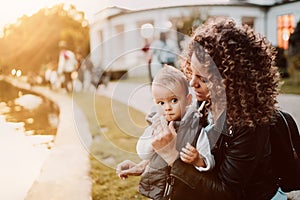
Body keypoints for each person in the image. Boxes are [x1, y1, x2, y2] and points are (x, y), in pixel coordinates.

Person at [117, 17, 286, 200]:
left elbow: (226, 194)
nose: (191, 83)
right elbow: (186, 146)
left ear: (231, 81)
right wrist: (145, 165)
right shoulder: (204, 103)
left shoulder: (250, 126)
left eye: (203, 79)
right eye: (192, 72)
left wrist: (172, 156)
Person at [135, 65, 214, 199]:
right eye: (161, 103)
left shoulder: (195, 129)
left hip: (183, 191)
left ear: (188, 100)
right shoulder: (156, 126)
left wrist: (198, 160)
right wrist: (153, 141)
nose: (167, 108)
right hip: (158, 189)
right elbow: (142, 153)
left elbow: (209, 161)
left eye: (174, 100)